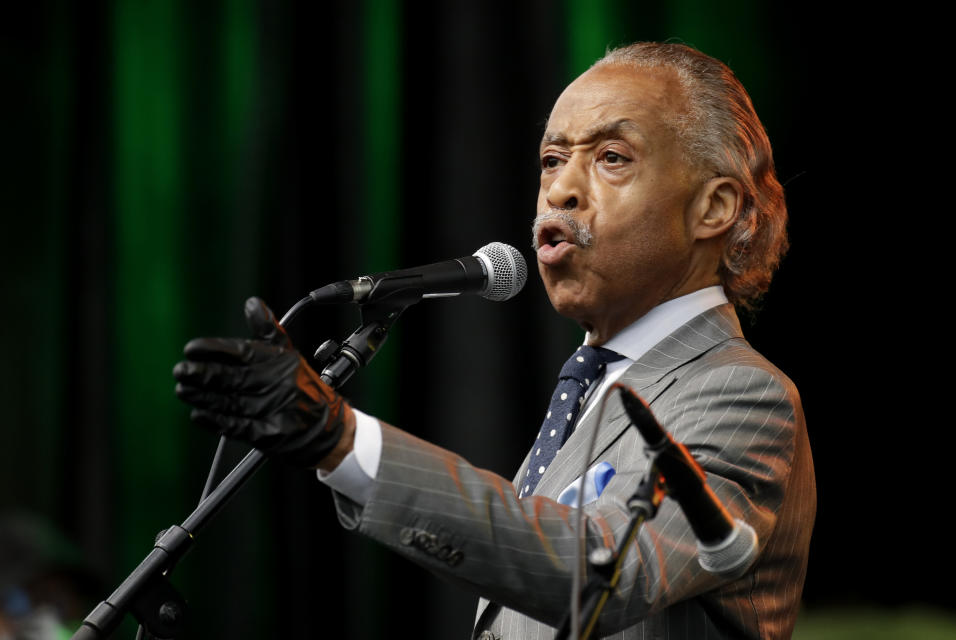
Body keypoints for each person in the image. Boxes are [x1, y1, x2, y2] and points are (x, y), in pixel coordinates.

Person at [173, 42, 815, 639]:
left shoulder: (739, 392)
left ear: (714, 208)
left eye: (612, 158)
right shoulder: (596, 387)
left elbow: (605, 573)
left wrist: (344, 442)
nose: (560, 189)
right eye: (552, 160)